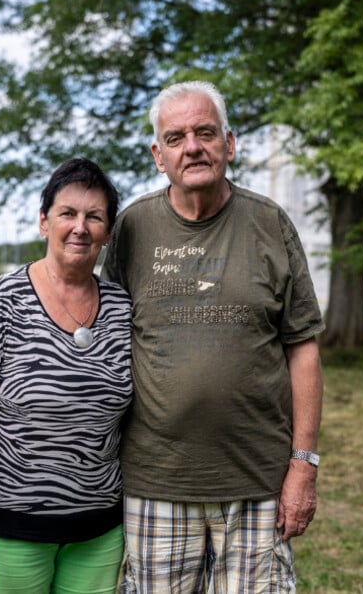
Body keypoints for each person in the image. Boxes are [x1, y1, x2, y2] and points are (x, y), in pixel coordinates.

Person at [101, 80, 325, 593]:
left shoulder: (270, 224)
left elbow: (303, 349)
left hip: (257, 484)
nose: (193, 147)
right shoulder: (133, 228)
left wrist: (304, 466)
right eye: (176, 138)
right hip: (157, 482)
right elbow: (107, 336)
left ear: (231, 142)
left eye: (205, 132)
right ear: (159, 156)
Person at [0, 158, 132, 594]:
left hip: (99, 532)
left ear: (107, 231)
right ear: (44, 221)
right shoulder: (4, 299)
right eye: (68, 213)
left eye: (94, 216)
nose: (80, 227)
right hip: (14, 529)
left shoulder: (123, 308)